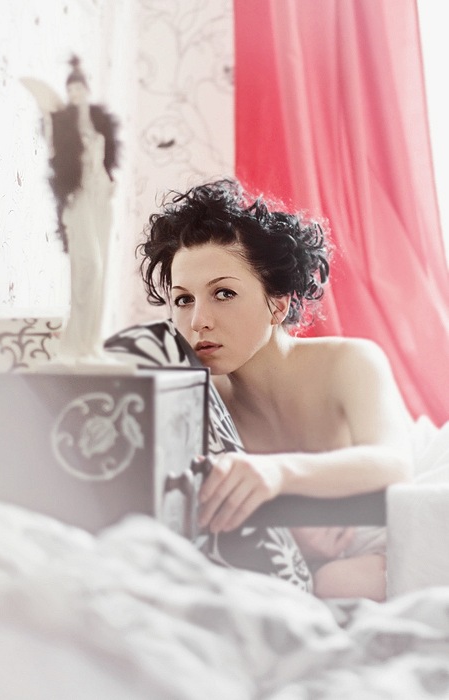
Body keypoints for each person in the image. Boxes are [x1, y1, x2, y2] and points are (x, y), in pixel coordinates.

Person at [139, 179, 414, 601]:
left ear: (278, 304)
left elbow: (395, 463)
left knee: (344, 582)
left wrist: (278, 474)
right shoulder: (199, 398)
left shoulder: (349, 361)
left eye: (223, 293)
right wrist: (289, 521)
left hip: (381, 524)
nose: (198, 322)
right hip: (300, 559)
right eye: (183, 299)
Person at [24, 56, 120, 363]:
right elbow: (57, 156)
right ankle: (75, 344)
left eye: (79, 88)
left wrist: (109, 181)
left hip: (101, 199)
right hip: (79, 199)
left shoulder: (98, 122)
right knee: (88, 266)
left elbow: (106, 161)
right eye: (71, 90)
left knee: (102, 271)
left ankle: (92, 343)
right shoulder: (63, 125)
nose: (75, 94)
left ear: (87, 90)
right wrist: (49, 117)